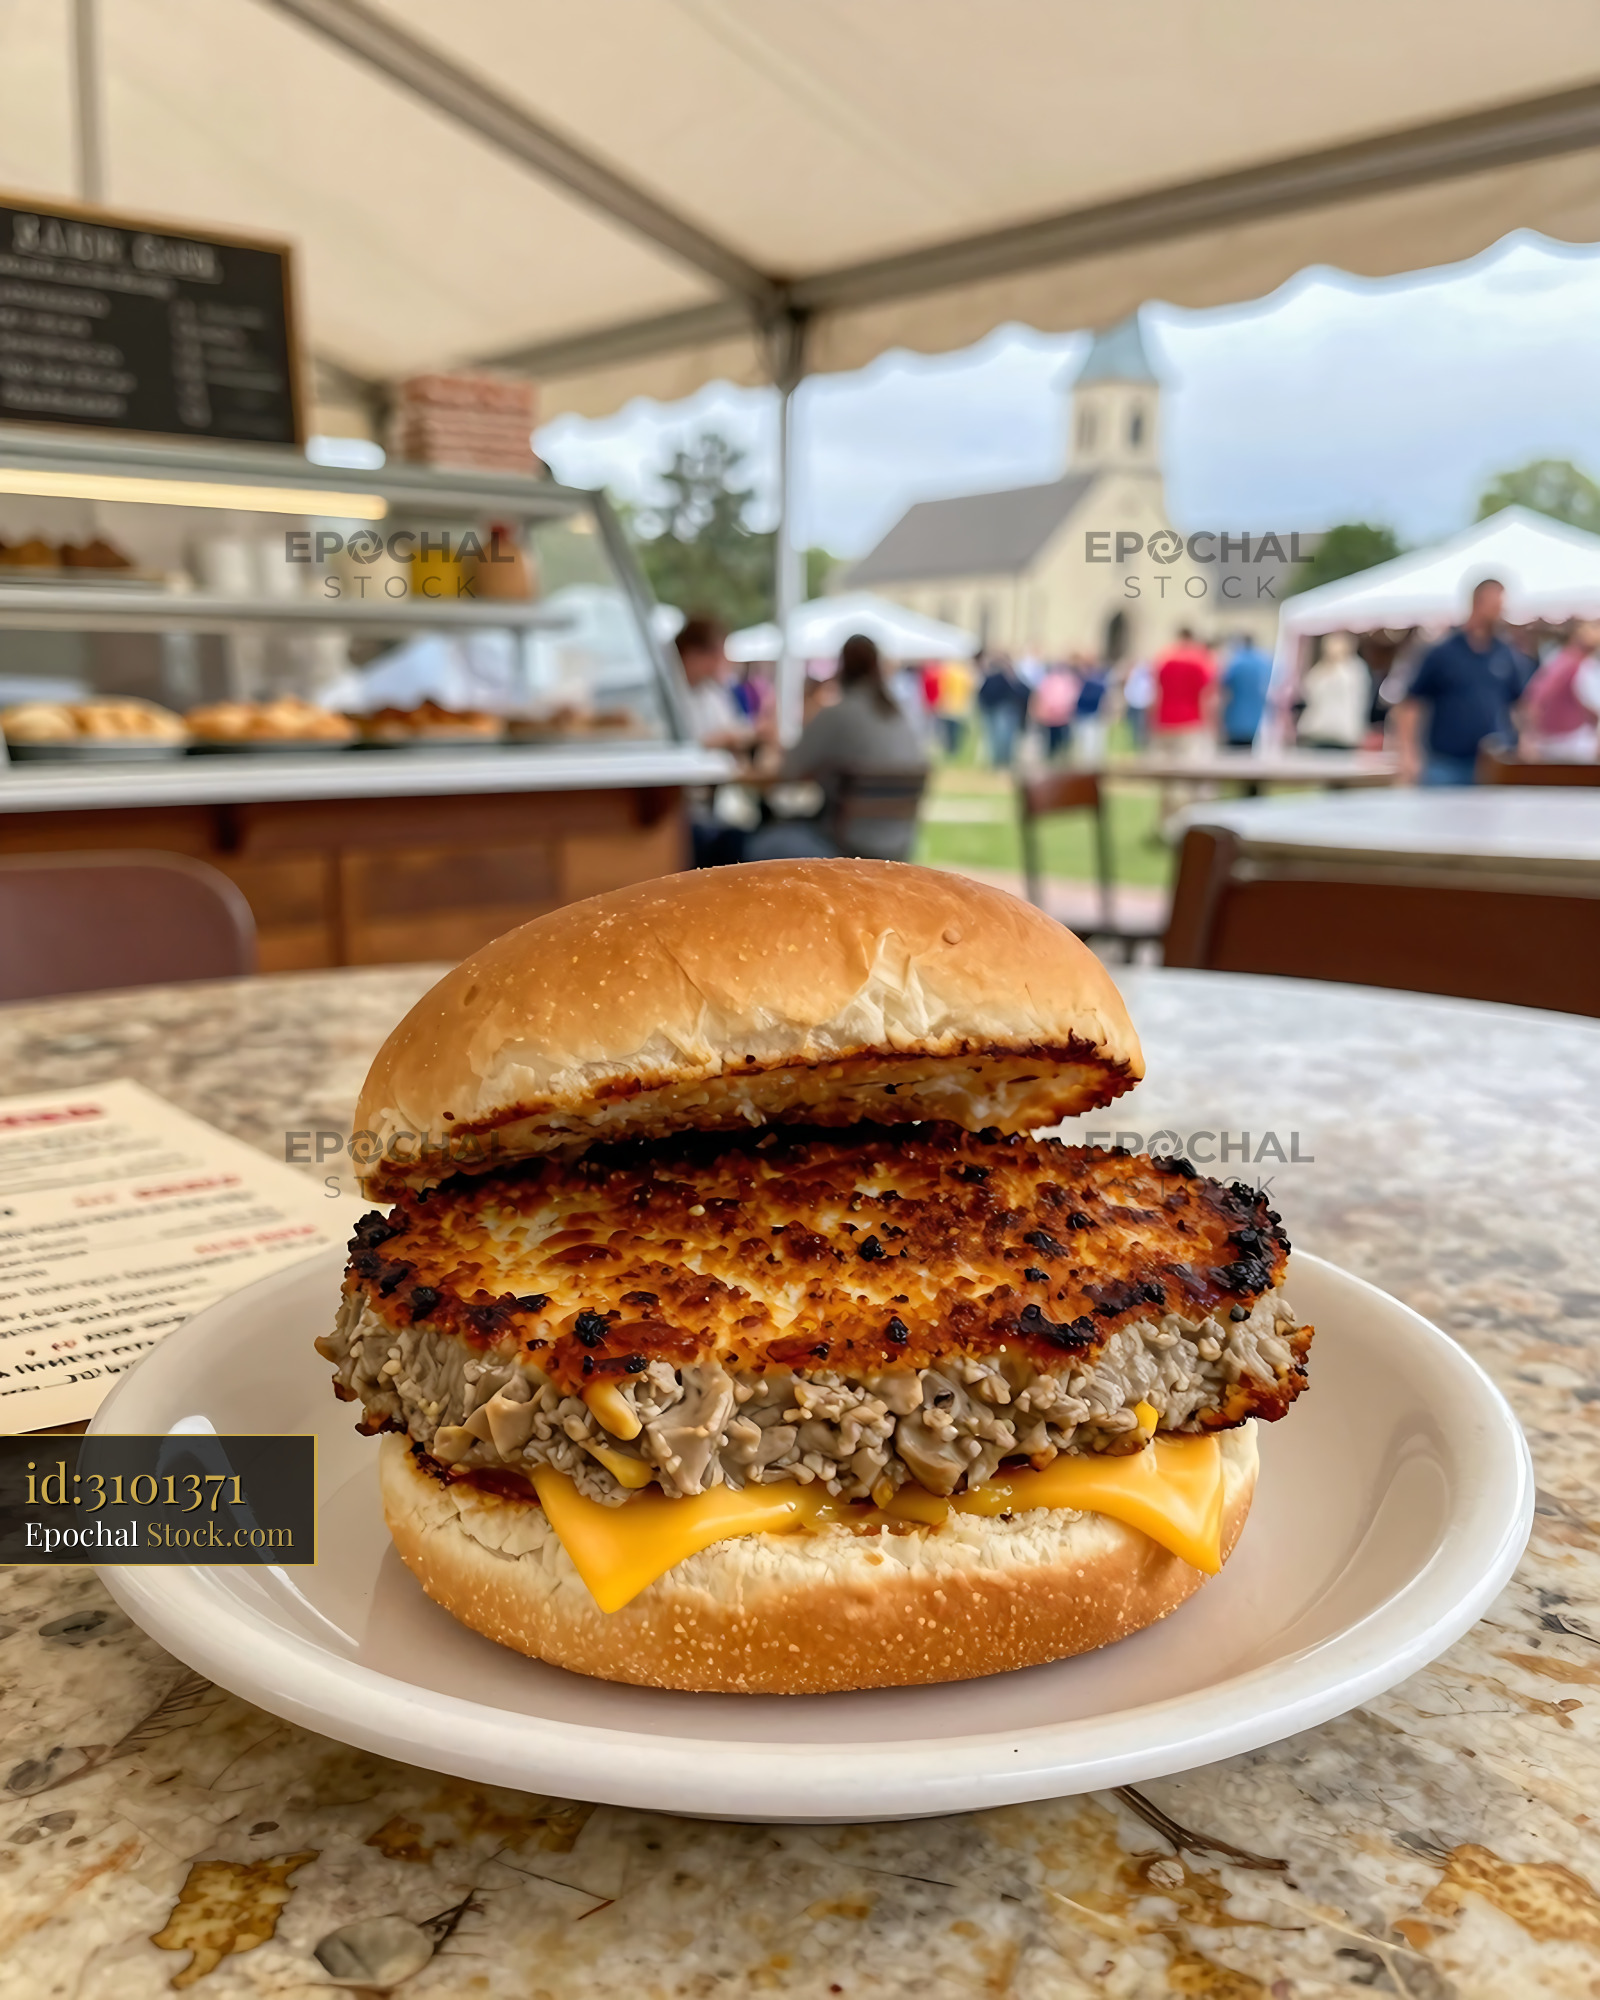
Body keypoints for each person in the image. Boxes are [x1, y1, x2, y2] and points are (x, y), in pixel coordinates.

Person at [768, 633, 929, 861]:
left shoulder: (838, 715)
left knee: (761, 844)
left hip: (844, 845)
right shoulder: (901, 718)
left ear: (842, 668)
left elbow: (789, 769)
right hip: (899, 847)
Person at [1395, 579, 1532, 785]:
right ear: (1478, 603)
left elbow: (1518, 703)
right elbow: (1411, 704)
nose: (1500, 612)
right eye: (1496, 605)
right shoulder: (1444, 652)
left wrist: (1524, 740)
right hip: (1446, 763)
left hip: (1492, 762)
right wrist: (1408, 753)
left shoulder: (1505, 653)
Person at [676, 616, 754, 867]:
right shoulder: (672, 695)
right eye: (719, 653)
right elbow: (677, 747)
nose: (724, 660)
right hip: (679, 806)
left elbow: (735, 731)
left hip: (709, 801)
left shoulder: (711, 693)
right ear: (693, 655)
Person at [1518, 621, 1600, 760]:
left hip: (1546, 741)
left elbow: (1533, 699)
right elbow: (1595, 707)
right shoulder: (1582, 667)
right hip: (1570, 744)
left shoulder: (1557, 659)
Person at [1296, 632, 1371, 750]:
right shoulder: (1319, 668)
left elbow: (1358, 698)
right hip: (1317, 731)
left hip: (1343, 733)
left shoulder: (1354, 669)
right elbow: (1308, 692)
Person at [1151, 628, 1216, 757]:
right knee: (1188, 764)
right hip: (1190, 721)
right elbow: (1206, 696)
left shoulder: (1164, 659)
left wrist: (1152, 720)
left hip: (1165, 720)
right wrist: (1209, 724)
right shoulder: (1199, 661)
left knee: (1165, 765)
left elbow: (1156, 692)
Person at [1218, 634, 1273, 749]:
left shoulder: (1235, 662)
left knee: (1236, 753)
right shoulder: (1264, 662)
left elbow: (1224, 686)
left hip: (1237, 719)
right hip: (1258, 718)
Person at [976, 652, 1027, 768]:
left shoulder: (1010, 677)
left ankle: (1003, 762)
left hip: (1004, 709)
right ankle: (998, 762)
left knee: (1003, 737)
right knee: (995, 737)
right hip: (992, 708)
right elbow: (982, 693)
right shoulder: (989, 676)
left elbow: (1022, 692)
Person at [1029, 658, 1080, 761]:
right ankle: (1053, 754)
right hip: (1053, 715)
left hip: (1061, 715)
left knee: (1061, 736)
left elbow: (1071, 697)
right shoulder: (1049, 681)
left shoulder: (1065, 681)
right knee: (1053, 736)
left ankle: (1060, 754)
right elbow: (1042, 696)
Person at [932, 656, 976, 757]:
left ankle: (951, 749)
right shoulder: (963, 673)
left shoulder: (946, 673)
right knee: (955, 731)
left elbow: (941, 690)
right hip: (957, 707)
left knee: (950, 731)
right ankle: (954, 749)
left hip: (949, 706)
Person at [1072, 655, 1111, 764]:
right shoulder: (1081, 680)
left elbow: (1103, 697)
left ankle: (1092, 765)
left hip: (1093, 713)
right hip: (1083, 713)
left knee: (1093, 743)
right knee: (1086, 743)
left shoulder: (1095, 680)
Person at [1121, 658, 1154, 748]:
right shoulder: (1135, 677)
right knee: (1133, 723)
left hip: (1141, 704)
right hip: (1133, 703)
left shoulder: (1145, 679)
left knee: (1141, 724)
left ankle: (1140, 742)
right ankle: (1133, 741)